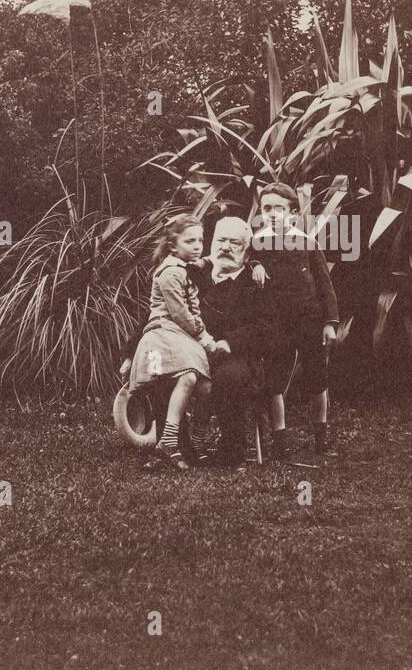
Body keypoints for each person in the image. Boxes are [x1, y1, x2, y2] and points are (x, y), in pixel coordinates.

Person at [254, 183, 340, 464]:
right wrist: (255, 264)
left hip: (309, 321)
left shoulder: (307, 242)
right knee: (275, 380)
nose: (273, 214)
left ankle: (321, 438)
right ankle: (280, 442)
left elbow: (325, 286)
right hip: (276, 323)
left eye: (280, 208)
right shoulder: (257, 244)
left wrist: (329, 322)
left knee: (317, 378)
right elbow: (245, 264)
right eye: (267, 208)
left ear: (292, 212)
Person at [128, 214, 218, 469]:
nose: (197, 246)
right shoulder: (170, 272)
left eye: (200, 240)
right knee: (181, 380)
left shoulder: (184, 267)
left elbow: (204, 262)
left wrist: (214, 258)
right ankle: (168, 441)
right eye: (190, 241)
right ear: (173, 246)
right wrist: (204, 337)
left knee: (206, 387)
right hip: (162, 335)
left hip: (177, 335)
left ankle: (195, 438)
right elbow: (180, 313)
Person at [196, 216, 281, 467]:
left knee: (229, 377)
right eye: (221, 240)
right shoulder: (195, 275)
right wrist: (131, 352)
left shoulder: (256, 283)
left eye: (235, 243)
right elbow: (165, 309)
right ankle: (175, 444)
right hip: (192, 351)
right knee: (160, 365)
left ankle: (232, 449)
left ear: (246, 254)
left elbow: (267, 329)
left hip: (239, 356)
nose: (225, 247)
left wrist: (229, 342)